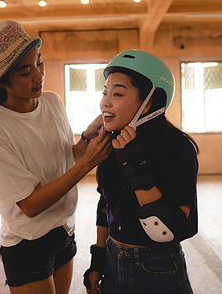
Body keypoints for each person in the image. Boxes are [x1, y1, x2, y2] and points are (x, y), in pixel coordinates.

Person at [0, 20, 112, 294]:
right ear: (1, 82)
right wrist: (87, 164)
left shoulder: (53, 101)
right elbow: (30, 204)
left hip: (64, 231)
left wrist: (86, 138)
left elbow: (64, 160)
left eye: (39, 62)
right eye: (25, 72)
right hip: (28, 242)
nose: (38, 76)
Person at [83, 50, 199, 294]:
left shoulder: (178, 148)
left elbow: (167, 229)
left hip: (157, 267)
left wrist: (132, 161)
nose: (105, 101)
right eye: (105, 92)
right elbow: (106, 205)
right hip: (114, 261)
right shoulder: (111, 142)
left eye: (117, 93)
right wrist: (99, 260)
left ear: (147, 104)